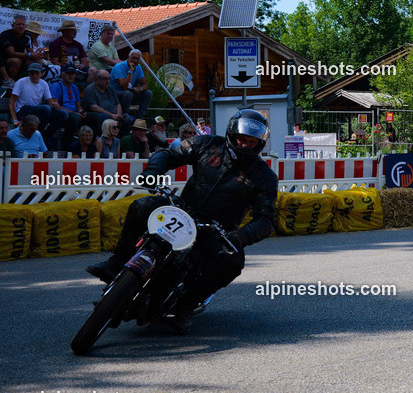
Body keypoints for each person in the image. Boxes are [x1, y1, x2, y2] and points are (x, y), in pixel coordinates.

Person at [86, 109, 278, 334]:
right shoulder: (207, 144)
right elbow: (169, 153)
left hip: (216, 230)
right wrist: (153, 171)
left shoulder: (264, 176)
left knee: (232, 262)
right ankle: (117, 261)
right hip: (182, 210)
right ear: (231, 134)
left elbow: (266, 219)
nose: (245, 145)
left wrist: (239, 236)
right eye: (241, 139)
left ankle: (185, 305)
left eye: (251, 142)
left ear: (259, 144)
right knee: (141, 206)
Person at [8, 62, 65, 149]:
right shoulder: (21, 82)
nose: (34, 75)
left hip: (37, 113)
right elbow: (11, 102)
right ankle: (40, 136)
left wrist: (54, 105)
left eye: (36, 73)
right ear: (28, 73)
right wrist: (15, 119)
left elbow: (50, 102)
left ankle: (45, 136)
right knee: (46, 109)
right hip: (23, 111)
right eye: (32, 73)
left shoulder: (44, 83)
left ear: (41, 73)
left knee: (63, 114)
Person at [50, 64, 85, 150]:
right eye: (69, 73)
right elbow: (55, 105)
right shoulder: (56, 86)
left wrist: (82, 112)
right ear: (62, 74)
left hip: (74, 114)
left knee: (94, 117)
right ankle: (66, 145)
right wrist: (74, 113)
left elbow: (78, 106)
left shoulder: (75, 88)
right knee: (75, 117)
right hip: (62, 114)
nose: (71, 76)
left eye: (73, 74)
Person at [110, 49, 152, 119]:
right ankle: (125, 117)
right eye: (133, 58)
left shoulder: (138, 67)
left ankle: (140, 119)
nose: (135, 60)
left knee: (148, 93)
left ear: (139, 60)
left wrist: (140, 89)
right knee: (128, 93)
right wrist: (130, 71)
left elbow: (145, 84)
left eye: (137, 59)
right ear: (129, 58)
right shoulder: (118, 67)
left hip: (129, 94)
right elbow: (124, 87)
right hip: (115, 94)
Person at [1, 15, 33, 88]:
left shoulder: (28, 35)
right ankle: (9, 83)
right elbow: (11, 53)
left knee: (38, 61)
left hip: (22, 58)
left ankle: (31, 83)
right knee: (16, 61)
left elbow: (30, 51)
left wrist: (38, 54)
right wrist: (30, 55)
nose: (21, 26)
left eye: (23, 24)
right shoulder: (6, 34)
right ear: (13, 26)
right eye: (18, 24)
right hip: (5, 60)